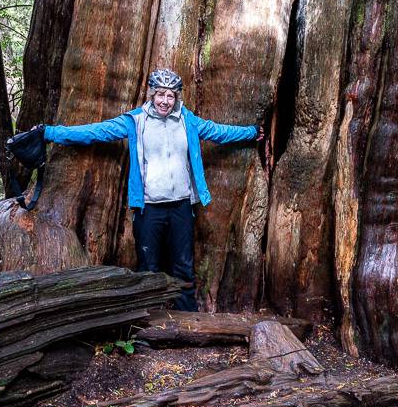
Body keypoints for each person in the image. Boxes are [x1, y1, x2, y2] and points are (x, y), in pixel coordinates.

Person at [43, 68, 263, 311]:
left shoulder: (187, 121)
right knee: (148, 265)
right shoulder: (135, 121)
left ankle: (188, 319)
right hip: (149, 208)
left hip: (181, 206)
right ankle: (146, 320)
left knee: (183, 266)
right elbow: (94, 132)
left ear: (177, 97)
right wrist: (51, 133)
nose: (165, 101)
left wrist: (251, 132)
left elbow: (220, 132)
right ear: (151, 95)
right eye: (160, 95)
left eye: (170, 96)